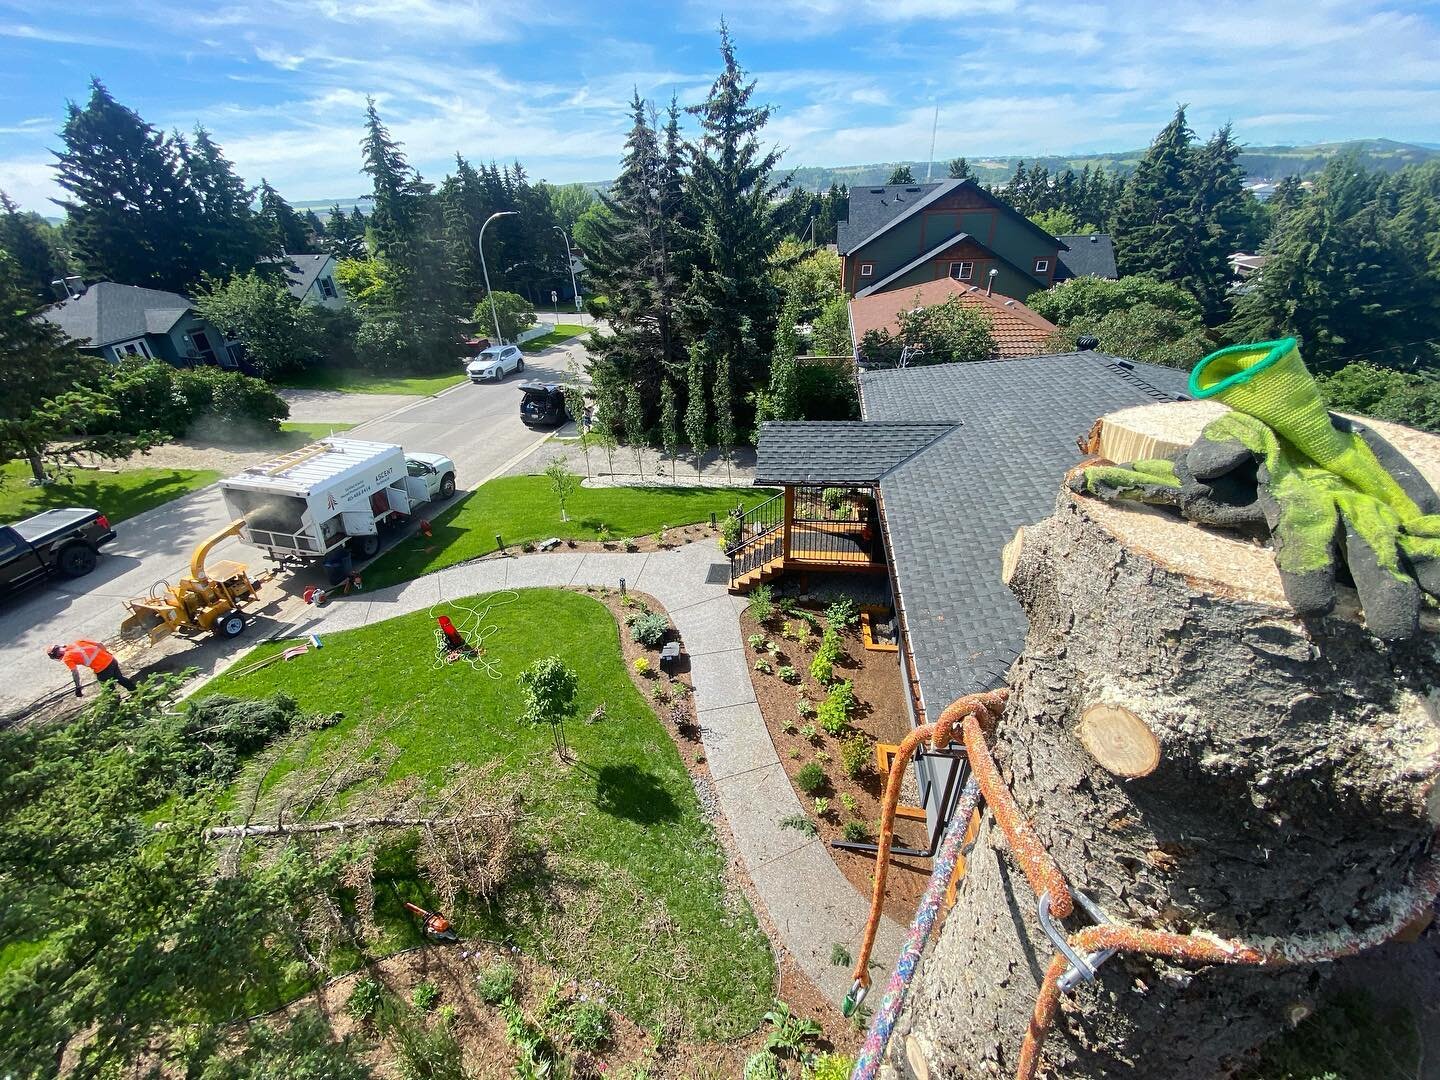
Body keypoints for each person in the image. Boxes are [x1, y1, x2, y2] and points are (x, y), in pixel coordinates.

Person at [47, 639, 137, 697]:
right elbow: (99, 644)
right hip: (111, 660)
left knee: (109, 689)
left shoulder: (67, 658)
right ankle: (136, 692)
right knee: (120, 678)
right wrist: (107, 654)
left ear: (57, 655)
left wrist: (78, 687)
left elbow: (75, 672)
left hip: (102, 670)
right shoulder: (78, 642)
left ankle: (117, 706)